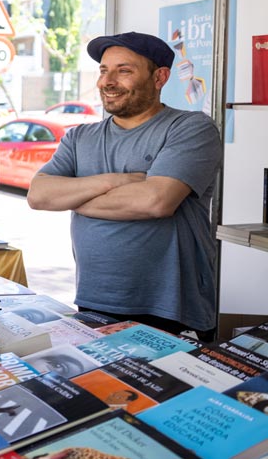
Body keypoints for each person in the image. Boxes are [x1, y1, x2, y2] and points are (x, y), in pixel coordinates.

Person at [27, 31, 222, 342]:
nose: (108, 81)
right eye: (104, 70)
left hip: (170, 310)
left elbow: (155, 202)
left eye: (124, 70)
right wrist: (113, 181)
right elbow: (38, 195)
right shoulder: (80, 137)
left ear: (160, 77)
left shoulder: (191, 128)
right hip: (94, 301)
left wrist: (75, 195)